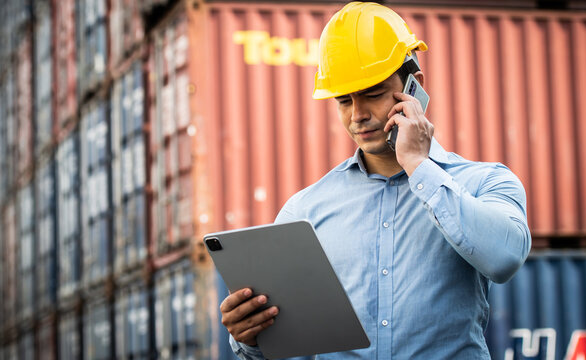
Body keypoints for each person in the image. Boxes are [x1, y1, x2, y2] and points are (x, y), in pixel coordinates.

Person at [220, 2, 531, 359]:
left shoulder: (485, 182)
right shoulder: (305, 210)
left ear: (415, 86)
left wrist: (417, 164)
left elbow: (505, 259)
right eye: (343, 100)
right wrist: (249, 337)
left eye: (372, 93)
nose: (358, 115)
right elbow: (275, 349)